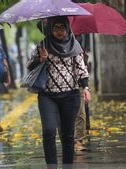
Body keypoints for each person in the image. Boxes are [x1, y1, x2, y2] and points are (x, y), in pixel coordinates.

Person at [28, 16, 91, 168]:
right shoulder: (43, 45)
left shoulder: (74, 45)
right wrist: (40, 59)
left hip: (70, 95)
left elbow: (81, 69)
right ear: (50, 29)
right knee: (49, 131)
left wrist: (86, 88)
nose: (59, 31)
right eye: (55, 28)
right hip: (47, 96)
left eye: (62, 28)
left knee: (67, 135)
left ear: (67, 28)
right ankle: (51, 166)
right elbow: (29, 66)